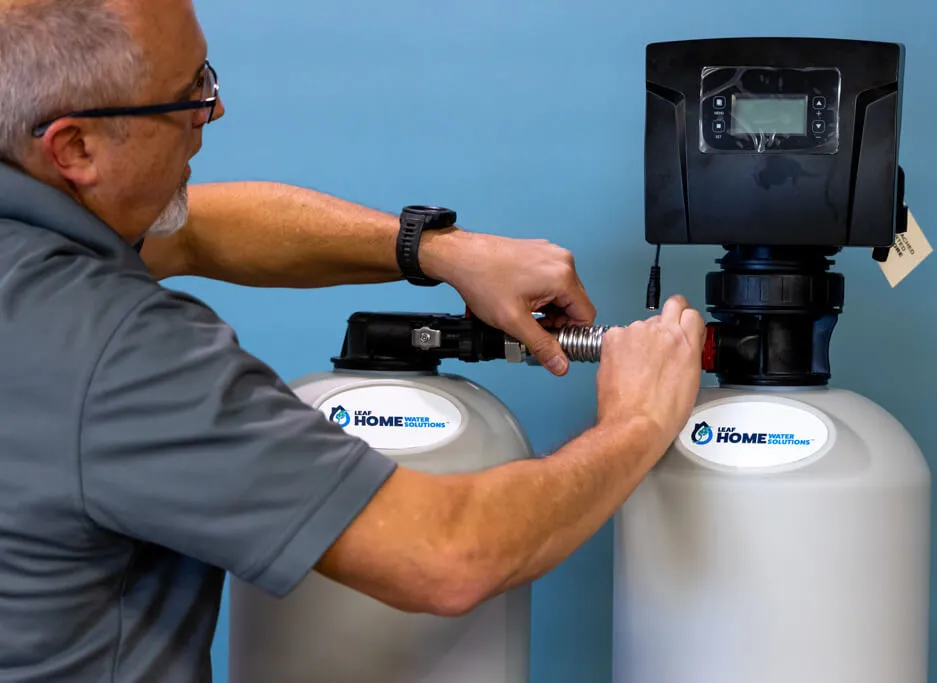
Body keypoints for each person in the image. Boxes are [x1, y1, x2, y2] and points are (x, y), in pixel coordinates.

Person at [0, 0, 706, 681]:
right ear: (75, 147)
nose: (211, 114)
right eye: (187, 95)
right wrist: (639, 418)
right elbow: (450, 553)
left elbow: (190, 229)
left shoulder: (32, 242)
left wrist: (438, 251)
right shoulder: (118, 350)